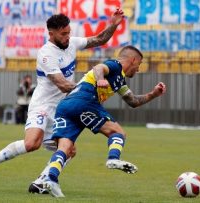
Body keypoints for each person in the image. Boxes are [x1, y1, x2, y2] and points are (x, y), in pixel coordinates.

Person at [0, 8, 125, 194]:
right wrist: (86, 89)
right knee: (32, 143)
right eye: (63, 34)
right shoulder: (46, 54)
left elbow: (99, 39)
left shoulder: (72, 43)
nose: (68, 37)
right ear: (51, 34)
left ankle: (42, 181)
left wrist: (114, 24)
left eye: (69, 32)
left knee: (70, 150)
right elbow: (62, 84)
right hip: (42, 106)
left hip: (60, 109)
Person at [41, 45, 166, 197]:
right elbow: (99, 68)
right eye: (139, 65)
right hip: (84, 100)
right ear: (133, 60)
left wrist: (154, 94)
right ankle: (113, 158)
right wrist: (100, 80)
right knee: (118, 132)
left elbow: (132, 101)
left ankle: (51, 179)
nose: (138, 69)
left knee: (65, 148)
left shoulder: (120, 80)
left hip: (66, 106)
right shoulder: (115, 65)